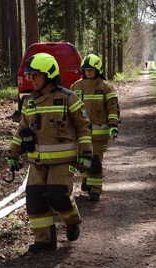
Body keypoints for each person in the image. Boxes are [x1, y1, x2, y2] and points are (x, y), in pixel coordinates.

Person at [6, 52, 93, 252]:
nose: (32, 79)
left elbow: (83, 128)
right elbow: (21, 129)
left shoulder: (68, 98)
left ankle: (72, 221)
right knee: (35, 199)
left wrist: (86, 155)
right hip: (37, 161)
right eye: (30, 75)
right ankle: (44, 240)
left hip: (63, 161)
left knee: (58, 195)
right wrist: (13, 154)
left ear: (49, 75)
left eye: (35, 75)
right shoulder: (29, 102)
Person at [71, 54, 121, 203]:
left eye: (91, 70)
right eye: (86, 69)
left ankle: (95, 190)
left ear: (98, 70)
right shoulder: (75, 87)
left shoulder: (105, 87)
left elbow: (113, 107)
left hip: (99, 134)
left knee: (95, 162)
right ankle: (86, 179)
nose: (88, 72)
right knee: (82, 161)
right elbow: (68, 110)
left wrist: (113, 125)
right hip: (81, 134)